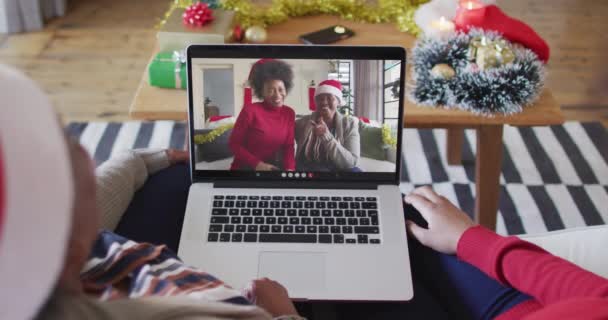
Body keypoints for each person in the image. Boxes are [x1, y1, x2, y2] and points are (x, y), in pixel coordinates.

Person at [0, 64, 304, 320]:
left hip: (136, 252)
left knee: (176, 171)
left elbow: (94, 198)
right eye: (64, 141)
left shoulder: (44, 257)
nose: (84, 151)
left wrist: (137, 160)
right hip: (235, 276)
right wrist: (284, 314)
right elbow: (238, 146)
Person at [229, 59, 296, 171]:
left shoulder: (289, 113)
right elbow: (234, 144)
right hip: (245, 168)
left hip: (273, 169)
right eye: (271, 90)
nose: (277, 95)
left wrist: (290, 170)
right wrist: (257, 164)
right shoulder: (250, 110)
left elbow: (288, 146)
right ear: (262, 92)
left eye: (281, 89)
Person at [295, 80, 360, 172]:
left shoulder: (349, 124)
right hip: (308, 168)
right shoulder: (303, 122)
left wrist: (326, 136)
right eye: (320, 99)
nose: (324, 102)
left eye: (330, 98)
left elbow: (352, 162)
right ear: (316, 102)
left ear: (338, 102)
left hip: (338, 168)